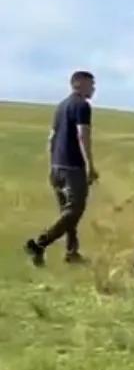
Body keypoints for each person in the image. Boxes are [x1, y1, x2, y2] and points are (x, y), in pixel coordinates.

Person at [25, 70, 98, 266]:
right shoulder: (82, 105)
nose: (94, 88)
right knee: (74, 210)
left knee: (67, 213)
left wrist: (52, 166)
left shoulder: (61, 106)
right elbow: (83, 136)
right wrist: (90, 165)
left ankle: (71, 252)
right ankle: (40, 243)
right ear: (79, 84)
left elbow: (51, 138)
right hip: (72, 167)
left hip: (57, 166)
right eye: (91, 84)